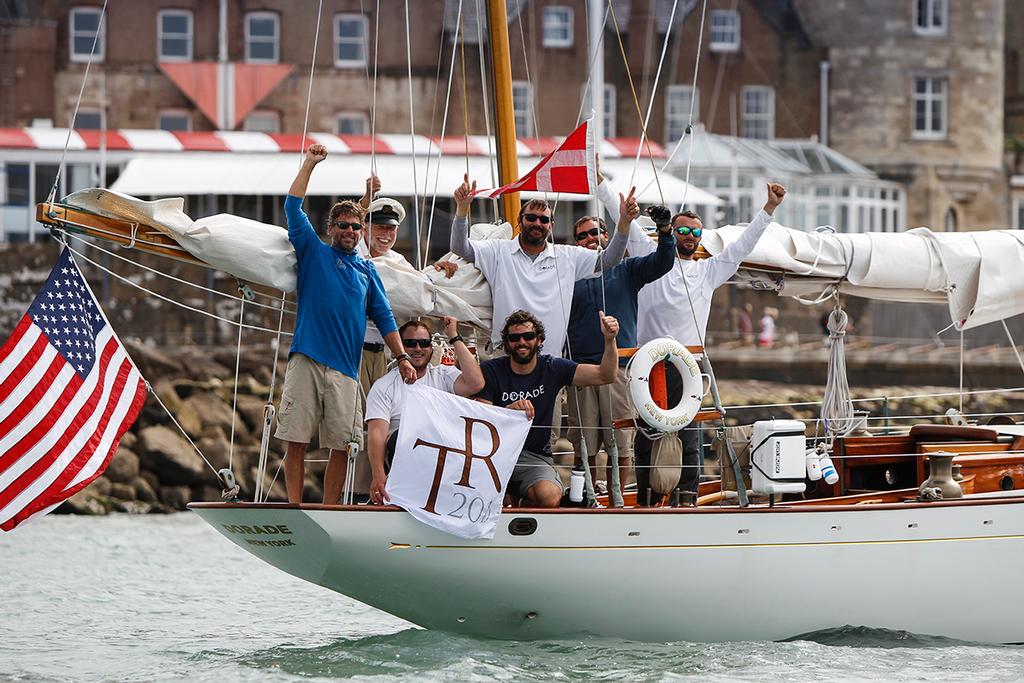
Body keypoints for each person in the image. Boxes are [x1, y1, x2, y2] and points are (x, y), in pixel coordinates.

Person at [597, 176, 786, 504]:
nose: (688, 236)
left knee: (689, 436)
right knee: (646, 435)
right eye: (682, 230)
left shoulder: (709, 271)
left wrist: (769, 208)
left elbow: (744, 244)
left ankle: (686, 499)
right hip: (648, 362)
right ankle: (644, 499)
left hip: (687, 365)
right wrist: (600, 180)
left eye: (695, 232)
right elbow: (617, 211)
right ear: (670, 232)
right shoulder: (649, 255)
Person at [277, 144, 416, 505]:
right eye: (343, 225)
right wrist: (309, 164)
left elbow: (384, 316)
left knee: (343, 443)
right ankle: (294, 504)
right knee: (296, 439)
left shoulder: (367, 270)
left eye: (356, 226)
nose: (351, 231)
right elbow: (292, 206)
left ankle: (330, 507)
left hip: (345, 370)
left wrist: (402, 357)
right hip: (306, 357)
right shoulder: (313, 251)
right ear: (331, 228)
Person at [354, 176, 459, 498]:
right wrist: (367, 196)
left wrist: (435, 270)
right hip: (354, 350)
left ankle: (389, 487)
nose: (385, 234)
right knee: (356, 425)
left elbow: (415, 288)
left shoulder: (398, 263)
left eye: (391, 229)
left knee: (379, 422)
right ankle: (356, 494)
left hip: (384, 354)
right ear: (366, 228)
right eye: (378, 227)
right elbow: (351, 223)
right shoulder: (356, 251)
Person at [565, 187, 676, 491]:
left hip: (620, 367)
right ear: (576, 244)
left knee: (621, 441)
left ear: (607, 235)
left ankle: (617, 494)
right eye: (584, 236)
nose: (591, 239)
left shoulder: (627, 269)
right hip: (581, 368)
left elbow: (663, 262)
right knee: (583, 442)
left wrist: (666, 231)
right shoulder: (568, 275)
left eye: (597, 232)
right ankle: (583, 492)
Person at [449, 174, 629, 358]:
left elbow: (609, 260)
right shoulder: (498, 250)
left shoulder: (567, 255)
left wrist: (624, 222)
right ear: (520, 221)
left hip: (550, 361)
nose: (537, 223)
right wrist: (462, 210)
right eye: (531, 218)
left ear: (551, 225)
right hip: (506, 356)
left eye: (543, 220)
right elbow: (460, 248)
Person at [475, 309, 621, 508]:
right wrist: (509, 411)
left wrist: (609, 340)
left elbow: (606, 375)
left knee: (550, 497)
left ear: (540, 340)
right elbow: (481, 417)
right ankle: (509, 498)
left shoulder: (552, 367)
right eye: (514, 338)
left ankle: (518, 503)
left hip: (534, 456)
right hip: (494, 454)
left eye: (528, 336)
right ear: (507, 343)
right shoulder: (490, 370)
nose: (522, 342)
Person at [365, 315, 485, 505]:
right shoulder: (384, 386)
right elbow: (377, 435)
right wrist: (378, 475)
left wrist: (453, 336)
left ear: (431, 347)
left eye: (424, 342)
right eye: (411, 343)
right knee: (400, 437)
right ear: (401, 347)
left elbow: (476, 383)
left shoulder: (443, 375)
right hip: (405, 463)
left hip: (447, 462)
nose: (418, 348)